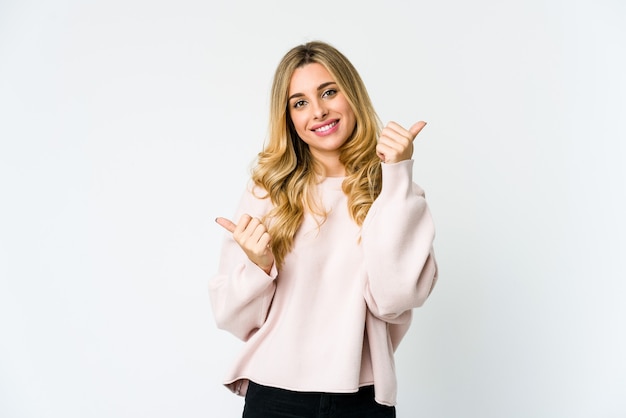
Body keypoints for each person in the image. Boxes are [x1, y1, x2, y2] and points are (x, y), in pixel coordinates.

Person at [209, 40, 438, 418]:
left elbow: (396, 297)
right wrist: (259, 266)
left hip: (360, 399)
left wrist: (396, 175)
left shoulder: (396, 192)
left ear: (352, 94)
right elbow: (231, 317)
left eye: (328, 92)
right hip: (275, 397)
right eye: (299, 102)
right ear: (289, 118)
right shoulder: (268, 190)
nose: (318, 111)